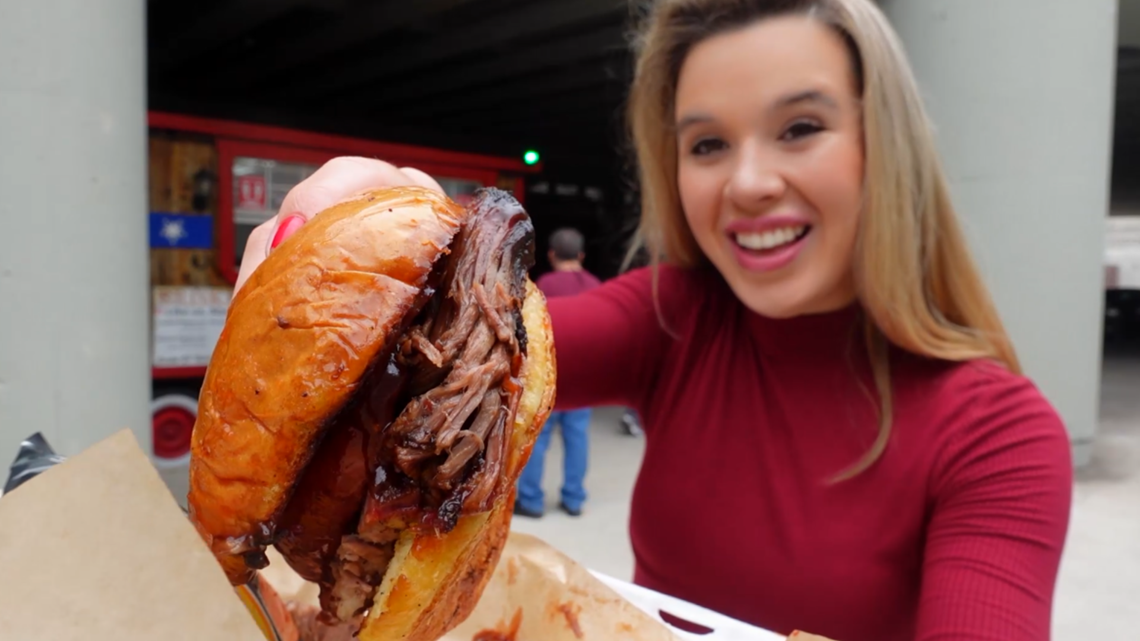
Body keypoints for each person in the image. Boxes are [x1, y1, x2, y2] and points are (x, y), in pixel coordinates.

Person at [234, 1, 1073, 639]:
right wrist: (377, 217)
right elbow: (466, 344)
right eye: (707, 144)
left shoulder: (1002, 434)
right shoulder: (676, 318)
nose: (746, 182)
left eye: (801, 127)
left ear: (887, 148)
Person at [514, 228, 602, 518]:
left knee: (538, 438)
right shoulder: (595, 285)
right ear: (581, 256)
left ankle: (531, 500)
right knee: (577, 437)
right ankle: (574, 499)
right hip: (586, 376)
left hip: (549, 378)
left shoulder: (545, 285)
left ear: (551, 255)